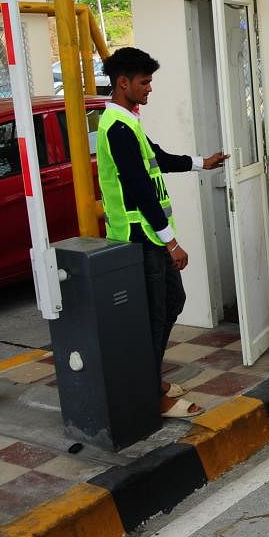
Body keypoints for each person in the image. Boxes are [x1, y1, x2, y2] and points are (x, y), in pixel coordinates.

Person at [96, 48, 229, 420]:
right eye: (145, 81)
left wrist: (203, 163)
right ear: (123, 83)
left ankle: (150, 380)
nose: (150, 88)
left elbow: (157, 159)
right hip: (140, 237)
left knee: (170, 302)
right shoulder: (117, 128)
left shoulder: (128, 123)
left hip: (149, 236)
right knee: (156, 314)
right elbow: (138, 189)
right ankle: (149, 394)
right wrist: (171, 241)